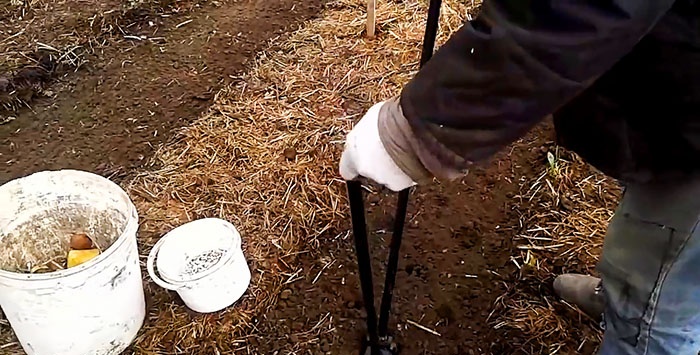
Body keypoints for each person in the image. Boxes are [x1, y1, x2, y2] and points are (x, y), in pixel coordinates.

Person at [339, 1, 700, 354]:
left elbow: (581, 9)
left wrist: (414, 134)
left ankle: (640, 320)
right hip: (675, 75)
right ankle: (625, 298)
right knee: (660, 242)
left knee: (659, 318)